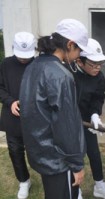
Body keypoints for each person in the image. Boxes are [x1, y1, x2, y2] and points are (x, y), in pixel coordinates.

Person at [19, 19, 91, 199]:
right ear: (70, 44)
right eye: (79, 49)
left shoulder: (33, 66)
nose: (79, 54)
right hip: (59, 159)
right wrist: (76, 165)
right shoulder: (60, 75)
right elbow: (66, 125)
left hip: (41, 150)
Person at [73, 38, 105, 198]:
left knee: (93, 152)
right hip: (69, 121)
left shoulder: (99, 77)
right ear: (80, 60)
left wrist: (94, 114)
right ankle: (75, 190)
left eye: (100, 63)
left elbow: (98, 98)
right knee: (75, 155)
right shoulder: (69, 73)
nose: (98, 67)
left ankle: (99, 185)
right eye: (94, 64)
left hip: (87, 120)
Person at [0, 31, 35, 199]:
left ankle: (48, 177)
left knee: (38, 150)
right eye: (21, 56)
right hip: (12, 116)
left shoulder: (38, 65)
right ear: (14, 48)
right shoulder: (5, 64)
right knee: (15, 150)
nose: (24, 59)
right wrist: (10, 101)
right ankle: (24, 180)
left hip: (35, 117)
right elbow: (0, 88)